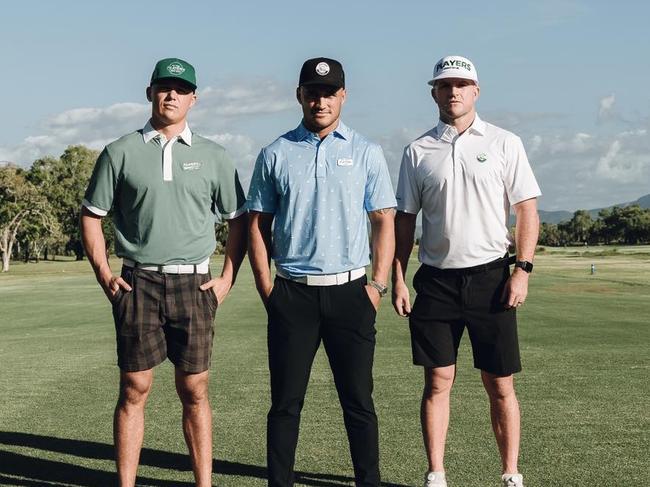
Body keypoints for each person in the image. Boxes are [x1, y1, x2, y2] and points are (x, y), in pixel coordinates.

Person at [80, 57, 247, 487]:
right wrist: (104, 274)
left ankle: (203, 484)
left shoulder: (214, 155)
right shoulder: (120, 152)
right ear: (150, 92)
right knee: (134, 388)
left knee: (195, 390)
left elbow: (238, 220)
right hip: (139, 282)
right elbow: (91, 215)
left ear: (194, 98)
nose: (171, 95)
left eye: (181, 89)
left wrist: (227, 277)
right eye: (163, 87)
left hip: (195, 283)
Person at [392, 55, 540, 487]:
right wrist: (399, 276)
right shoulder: (417, 150)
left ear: (476, 90)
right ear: (433, 92)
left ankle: (511, 473)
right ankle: (436, 473)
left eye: (461, 84)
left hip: (493, 278)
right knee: (438, 381)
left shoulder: (504, 142)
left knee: (500, 384)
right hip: (436, 280)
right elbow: (405, 220)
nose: (453, 92)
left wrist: (523, 270)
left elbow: (526, 209)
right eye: (444, 85)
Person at [247, 57, 396, 487]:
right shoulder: (275, 153)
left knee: (359, 402)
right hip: (293, 294)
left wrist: (378, 285)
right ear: (299, 96)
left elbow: (383, 218)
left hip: (351, 292)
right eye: (312, 93)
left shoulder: (366, 151)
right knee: (285, 404)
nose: (320, 101)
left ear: (343, 96)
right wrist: (266, 286)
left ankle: (368, 481)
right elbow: (259, 223)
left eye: (329, 93)